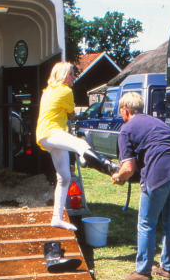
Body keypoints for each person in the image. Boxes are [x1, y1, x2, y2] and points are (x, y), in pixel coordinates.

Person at [111, 92, 170, 280]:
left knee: (147, 223)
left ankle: (143, 272)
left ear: (125, 110)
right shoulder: (159, 122)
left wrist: (117, 177)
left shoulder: (126, 129)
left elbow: (128, 168)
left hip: (160, 172)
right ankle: (166, 268)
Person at [36, 62, 118, 230]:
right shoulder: (65, 91)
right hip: (52, 133)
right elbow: (72, 114)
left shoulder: (48, 90)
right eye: (71, 74)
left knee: (65, 177)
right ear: (63, 76)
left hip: (45, 135)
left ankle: (56, 218)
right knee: (80, 143)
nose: (74, 77)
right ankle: (110, 167)